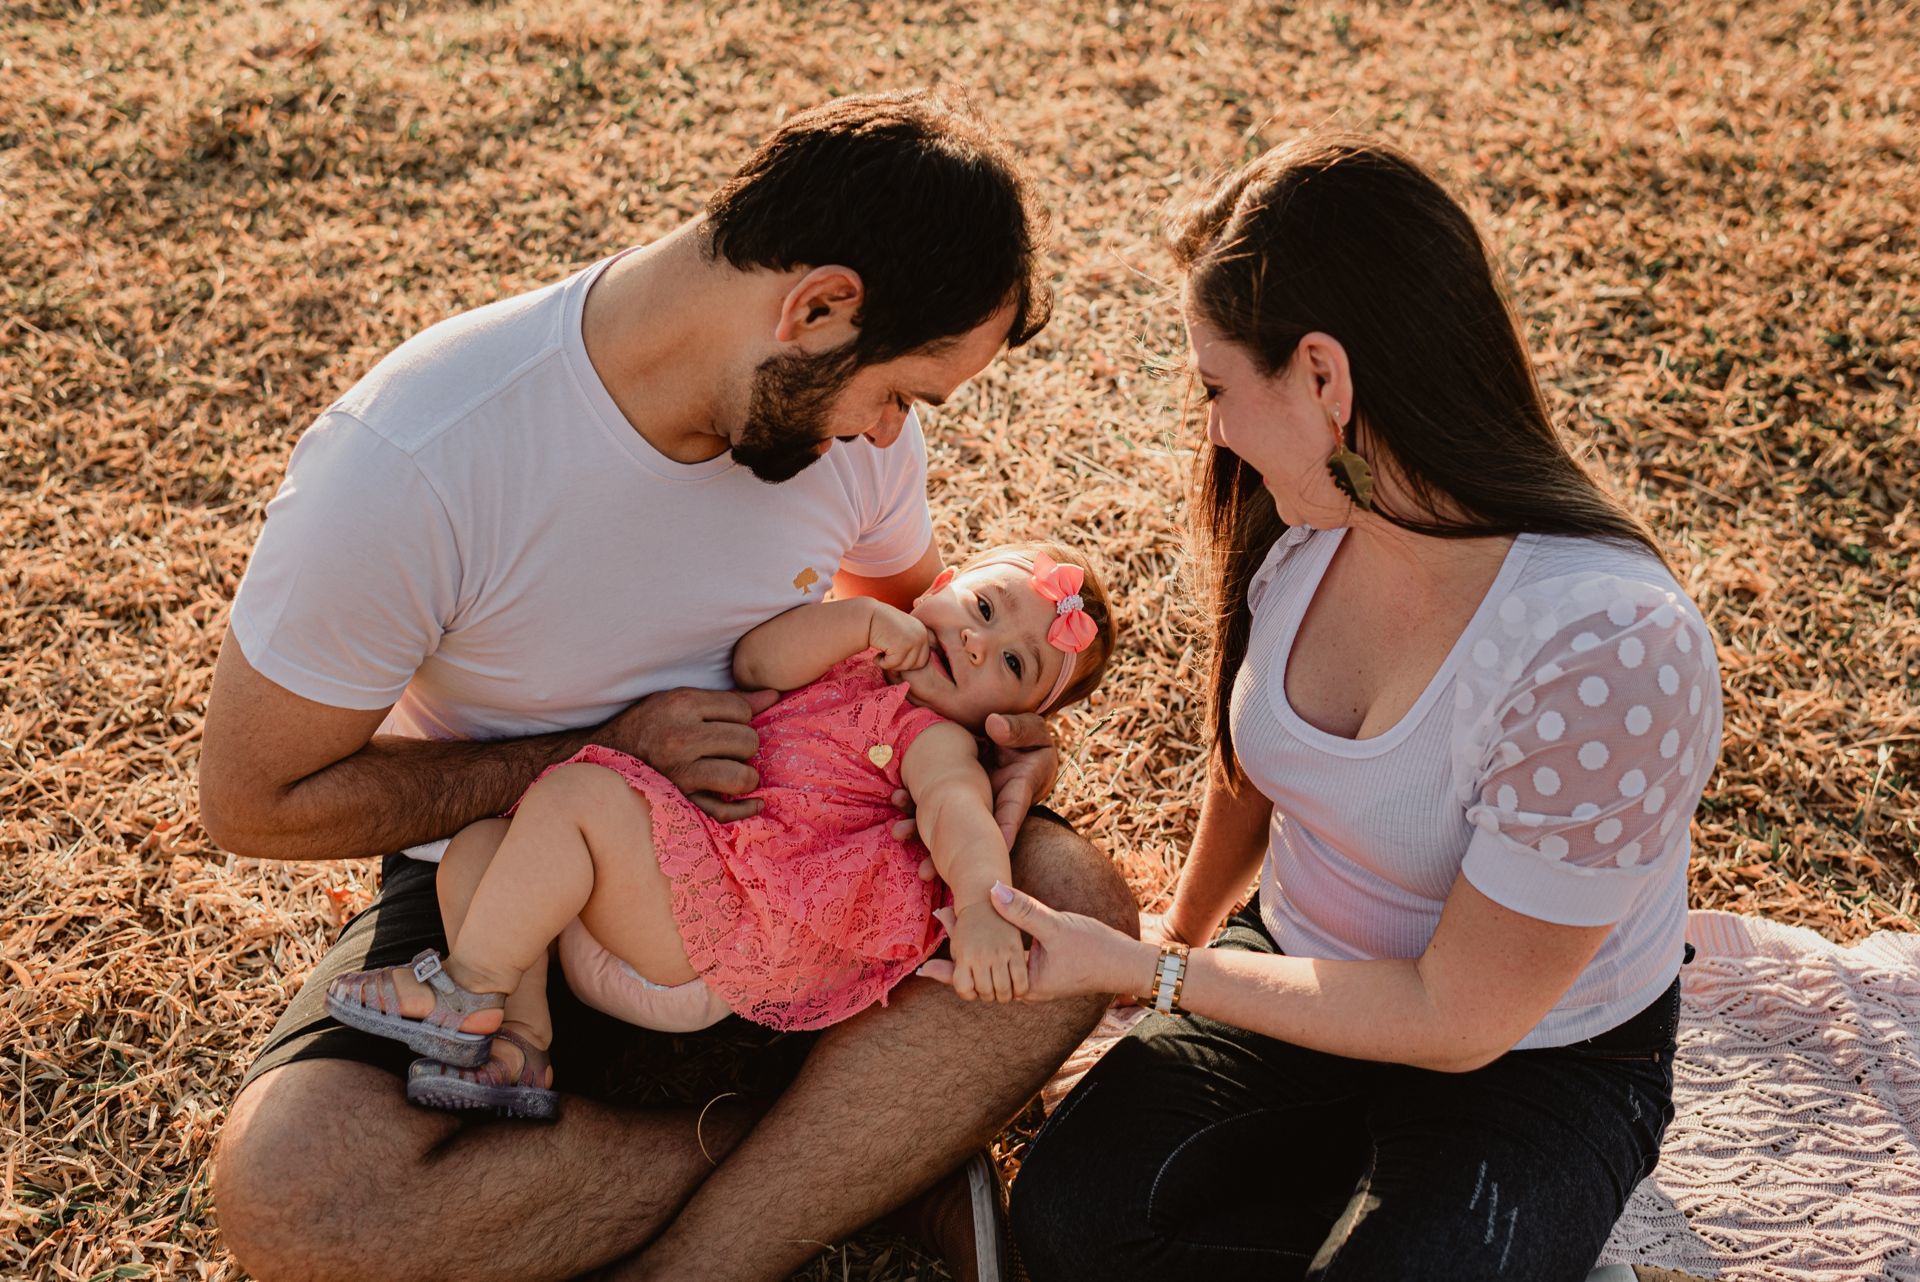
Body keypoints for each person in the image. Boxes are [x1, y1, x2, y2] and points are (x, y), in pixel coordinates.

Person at [200, 92, 1138, 1282]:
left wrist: (1006, 742)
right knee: (298, 1193)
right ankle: (836, 1150)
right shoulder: (419, 459)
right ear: (818, 308)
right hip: (520, 868)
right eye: (902, 391)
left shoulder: (851, 440)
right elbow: (253, 800)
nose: (889, 431)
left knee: (1070, 896)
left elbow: (909, 631)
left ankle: (707, 1252)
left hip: (801, 856)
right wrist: (597, 751)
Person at [928, 136, 1724, 1282]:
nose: (1212, 428)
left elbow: (1457, 1015)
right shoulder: (1308, 526)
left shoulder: (1612, 647)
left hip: (1528, 1057)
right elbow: (1254, 770)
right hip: (1298, 965)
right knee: (1070, 1219)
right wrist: (1186, 940)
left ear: (1321, 376)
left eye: (1215, 388)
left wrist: (1149, 974)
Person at [326, 543, 1115, 1120]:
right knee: (481, 847)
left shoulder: (934, 740)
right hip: (648, 899)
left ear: (1012, 720)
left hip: (718, 935)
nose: (978, 643)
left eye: (1013, 665)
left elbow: (958, 817)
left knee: (577, 797)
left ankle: (465, 982)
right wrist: (859, 618)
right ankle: (518, 1043)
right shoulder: (853, 656)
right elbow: (757, 661)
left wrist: (979, 907)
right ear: (941, 587)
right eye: (983, 609)